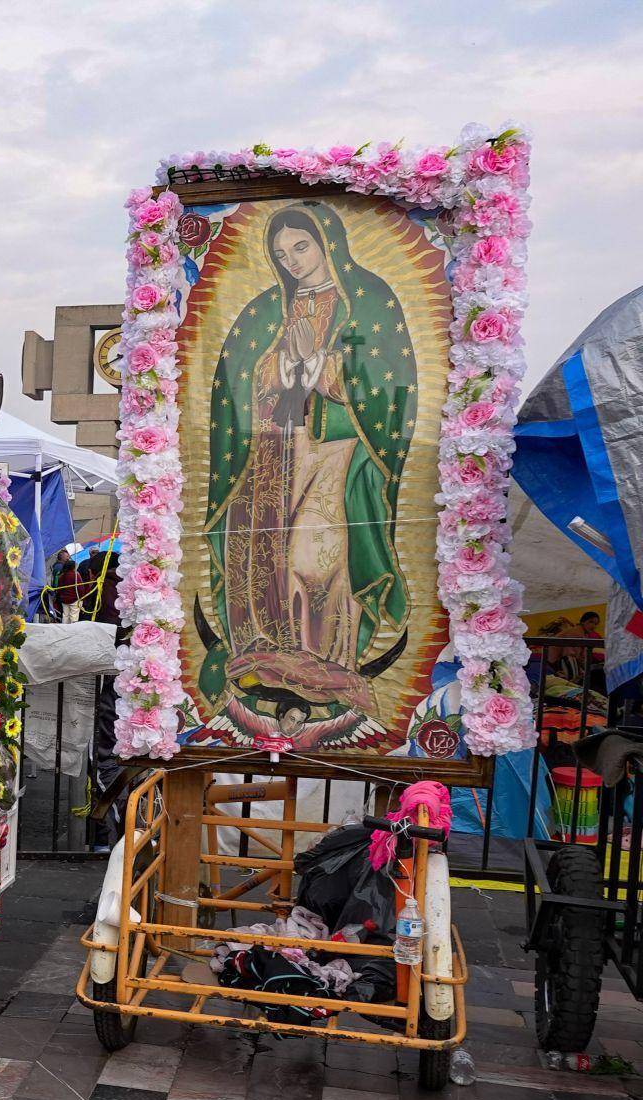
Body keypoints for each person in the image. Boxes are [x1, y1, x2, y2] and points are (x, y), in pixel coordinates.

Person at [199, 200, 418, 748]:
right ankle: (271, 657)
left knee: (314, 555)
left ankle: (326, 662)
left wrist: (323, 369)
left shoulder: (369, 300)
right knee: (267, 557)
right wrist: (285, 368)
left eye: (301, 246)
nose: (292, 260)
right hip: (273, 451)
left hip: (335, 449)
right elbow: (238, 384)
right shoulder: (265, 310)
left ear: (328, 242)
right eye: (280, 253)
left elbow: (389, 387)